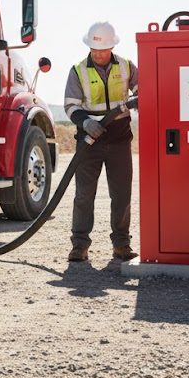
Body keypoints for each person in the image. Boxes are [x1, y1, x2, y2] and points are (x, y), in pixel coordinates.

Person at [64, 21, 139, 262]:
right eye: (94, 49)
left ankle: (121, 244)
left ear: (112, 47)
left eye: (103, 49)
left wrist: (136, 101)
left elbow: (144, 91)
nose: (98, 53)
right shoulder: (78, 70)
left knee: (121, 194)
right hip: (89, 141)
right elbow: (71, 106)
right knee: (84, 195)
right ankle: (79, 245)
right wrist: (86, 123)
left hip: (119, 139)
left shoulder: (127, 67)